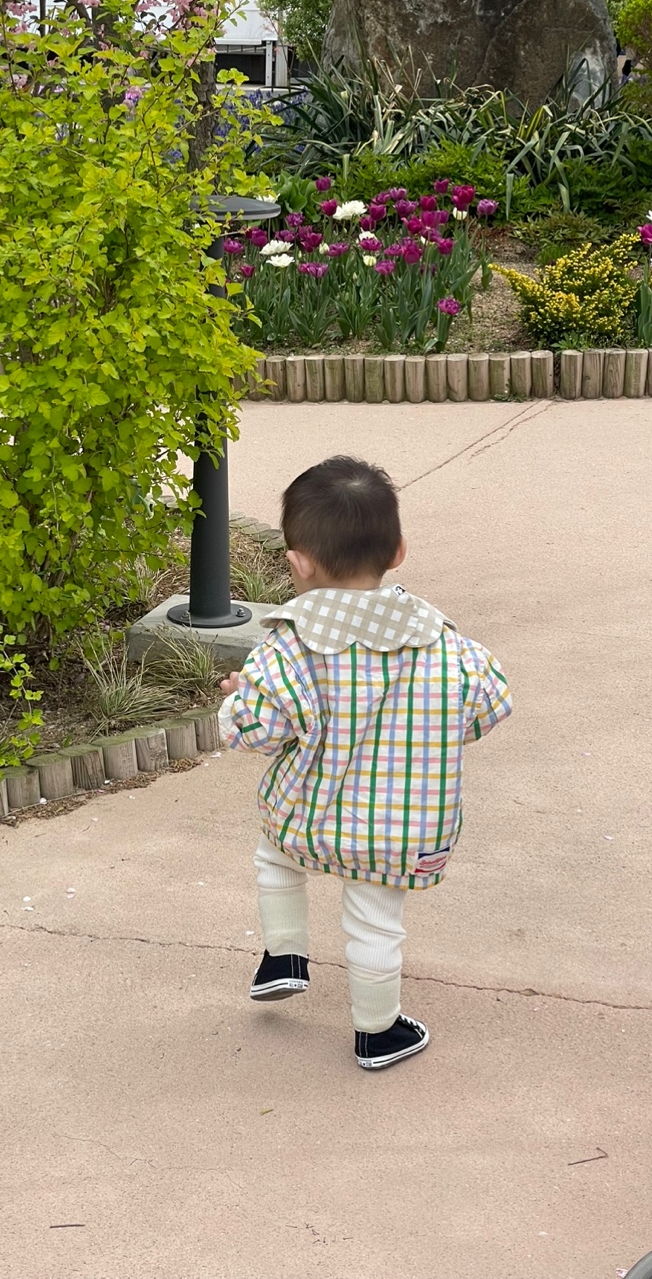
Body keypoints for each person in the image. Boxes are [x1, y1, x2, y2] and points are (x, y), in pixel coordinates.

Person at [218, 456, 512, 1070]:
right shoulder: (441, 641)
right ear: (399, 551)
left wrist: (239, 699)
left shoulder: (289, 645)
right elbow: (488, 706)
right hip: (400, 831)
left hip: (308, 815)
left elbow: (259, 733)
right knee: (376, 923)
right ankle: (377, 1034)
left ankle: (284, 957)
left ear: (297, 563)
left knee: (274, 857)